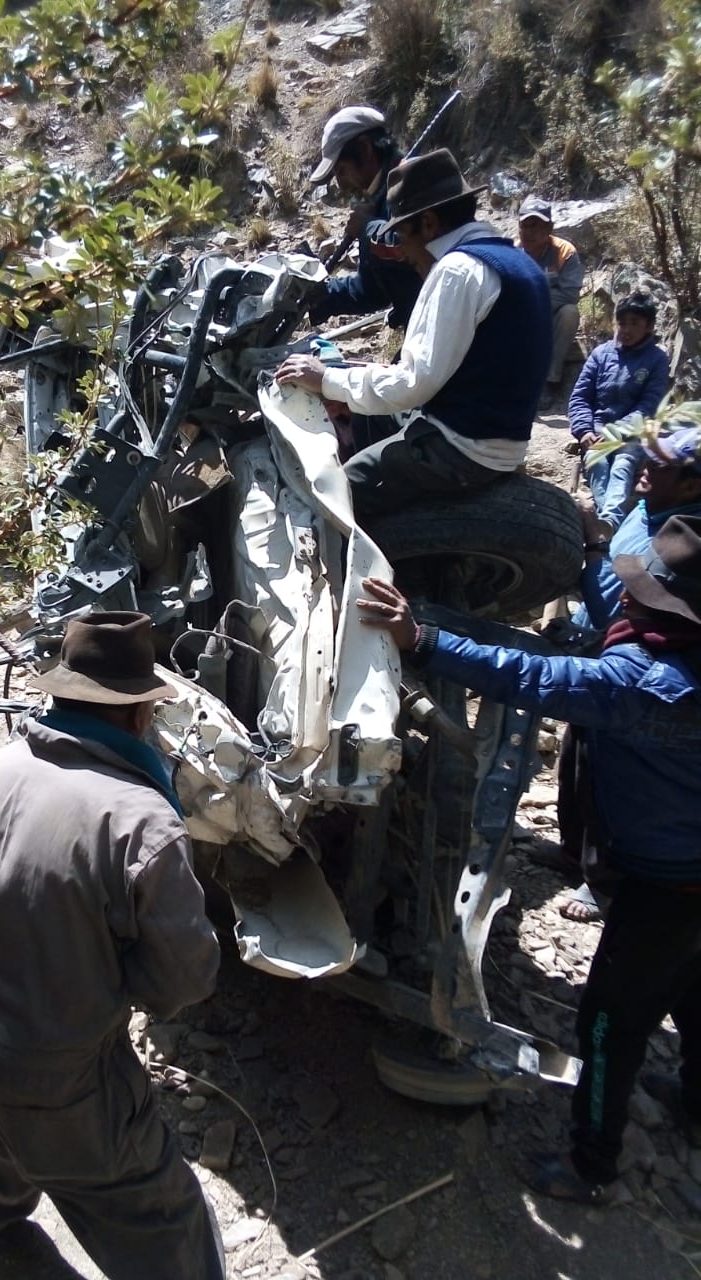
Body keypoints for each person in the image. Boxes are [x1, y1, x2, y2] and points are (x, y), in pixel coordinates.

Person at [357, 513, 701, 1205]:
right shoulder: (674, 640)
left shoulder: (653, 685)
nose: (631, 597)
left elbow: (533, 676)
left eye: (646, 593)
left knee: (609, 1021)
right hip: (680, 866)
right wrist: (598, 551)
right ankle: (695, 1103)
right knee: (692, 990)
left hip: (671, 886)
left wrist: (420, 638)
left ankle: (592, 1168)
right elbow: (616, 602)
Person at [0, 611, 224, 1278]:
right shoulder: (142, 824)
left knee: (12, 1126)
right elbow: (181, 980)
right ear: (137, 717)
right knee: (160, 1211)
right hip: (58, 1060)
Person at [276, 148, 551, 521]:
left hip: (464, 448)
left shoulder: (457, 271)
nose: (403, 253)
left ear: (429, 225)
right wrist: (345, 387)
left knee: (330, 497)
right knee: (365, 418)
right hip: (493, 433)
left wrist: (327, 380)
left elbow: (414, 383)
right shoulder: (509, 258)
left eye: (402, 235)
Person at [542, 424, 701, 924]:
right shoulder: (650, 509)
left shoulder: (679, 543)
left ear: (693, 485)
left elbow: (620, 606)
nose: (644, 469)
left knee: (611, 779)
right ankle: (572, 850)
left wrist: (590, 556)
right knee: (576, 758)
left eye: (659, 465)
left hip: (636, 669)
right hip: (605, 651)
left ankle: (603, 883)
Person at [305, 104, 421, 329]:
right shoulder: (374, 201)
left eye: (342, 170)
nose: (340, 184)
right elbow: (372, 291)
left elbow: (412, 245)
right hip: (418, 329)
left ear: (365, 149)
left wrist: (368, 229)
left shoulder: (413, 183)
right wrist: (323, 295)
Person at [569, 290, 670, 535]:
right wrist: (584, 431)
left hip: (633, 433)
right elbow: (580, 397)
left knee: (623, 464)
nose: (626, 329)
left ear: (649, 326)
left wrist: (616, 433)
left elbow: (649, 406)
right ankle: (609, 523)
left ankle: (608, 524)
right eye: (622, 322)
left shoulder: (657, 359)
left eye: (634, 323)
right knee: (598, 465)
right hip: (596, 432)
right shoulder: (601, 354)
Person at [517, 195, 583, 408]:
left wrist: (533, 299)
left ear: (550, 227)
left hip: (550, 315)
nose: (529, 232)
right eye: (525, 225)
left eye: (536, 226)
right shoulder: (511, 251)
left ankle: (549, 380)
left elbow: (570, 294)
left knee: (570, 313)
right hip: (518, 317)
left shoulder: (565, 251)